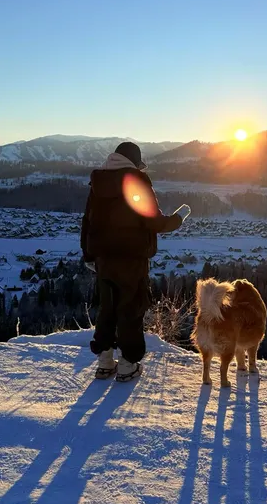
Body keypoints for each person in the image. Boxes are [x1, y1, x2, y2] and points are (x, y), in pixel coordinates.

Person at [80, 141, 190, 381]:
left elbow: (87, 221)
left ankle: (105, 361)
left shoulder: (98, 183)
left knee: (107, 309)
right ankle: (128, 364)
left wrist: (88, 255)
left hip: (103, 260)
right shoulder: (136, 182)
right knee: (130, 310)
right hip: (132, 260)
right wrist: (179, 218)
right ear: (134, 162)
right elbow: (155, 222)